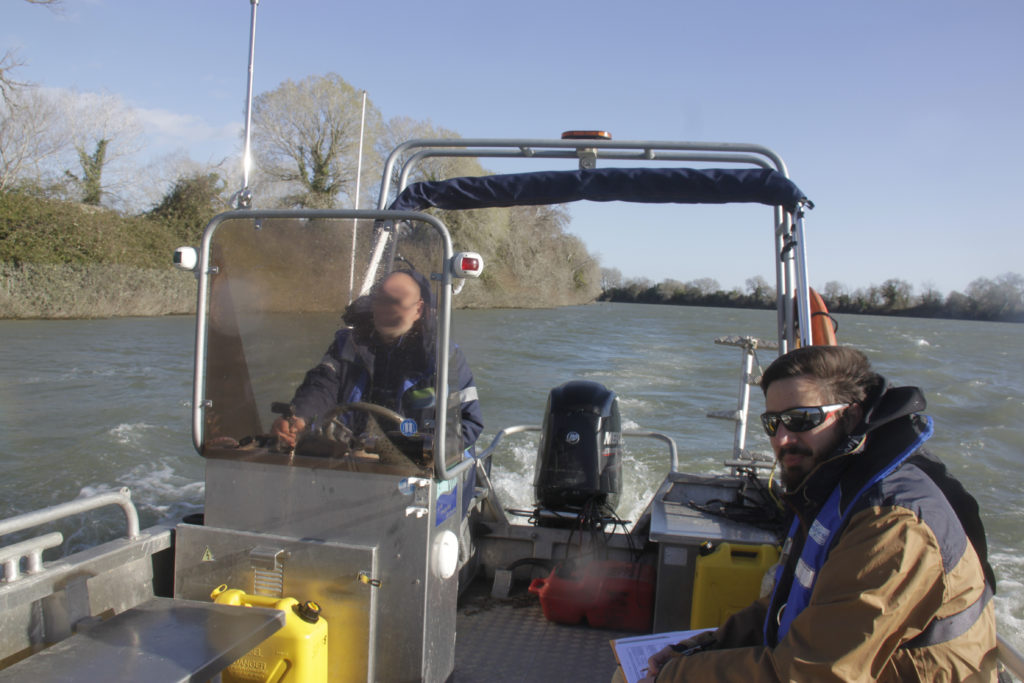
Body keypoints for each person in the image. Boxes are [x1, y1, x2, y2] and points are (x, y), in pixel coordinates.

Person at [642, 345, 998, 682]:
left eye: (800, 419)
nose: (782, 439)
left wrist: (675, 677)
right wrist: (694, 651)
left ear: (851, 415)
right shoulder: (832, 488)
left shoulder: (892, 527)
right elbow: (791, 601)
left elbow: (813, 674)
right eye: (772, 423)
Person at [270, 269, 484, 465]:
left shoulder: (443, 358)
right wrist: (300, 417)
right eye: (380, 301)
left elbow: (468, 421)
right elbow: (320, 386)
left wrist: (433, 451)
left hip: (421, 469)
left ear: (418, 309)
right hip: (350, 464)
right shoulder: (347, 345)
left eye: (394, 303)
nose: (384, 310)